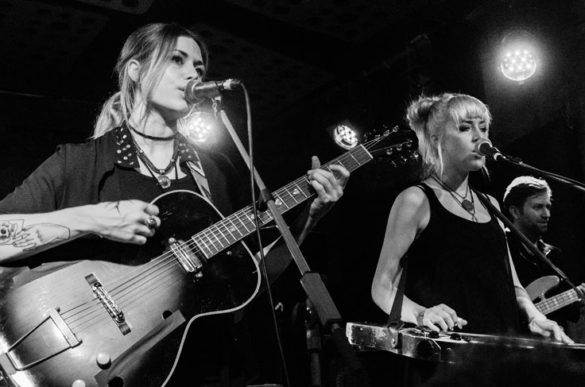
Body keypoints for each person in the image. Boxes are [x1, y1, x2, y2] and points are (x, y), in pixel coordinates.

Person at [0, 23, 349, 386]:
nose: (193, 74)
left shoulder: (211, 173)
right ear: (135, 71)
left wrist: (307, 220)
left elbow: (244, 283)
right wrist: (93, 219)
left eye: (199, 68)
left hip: (194, 370)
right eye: (177, 60)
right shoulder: (82, 162)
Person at [370, 93, 571, 385]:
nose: (479, 137)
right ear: (437, 138)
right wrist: (422, 313)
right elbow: (381, 286)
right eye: (465, 128)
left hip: (500, 361)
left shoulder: (490, 203)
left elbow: (512, 285)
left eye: (483, 127)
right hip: (447, 364)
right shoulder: (416, 200)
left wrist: (534, 316)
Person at [503, 176, 581, 330]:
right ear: (515, 211)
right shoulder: (502, 249)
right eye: (538, 207)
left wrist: (578, 299)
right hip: (513, 343)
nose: (547, 214)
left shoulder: (553, 254)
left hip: (550, 345)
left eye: (548, 207)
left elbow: (570, 315)